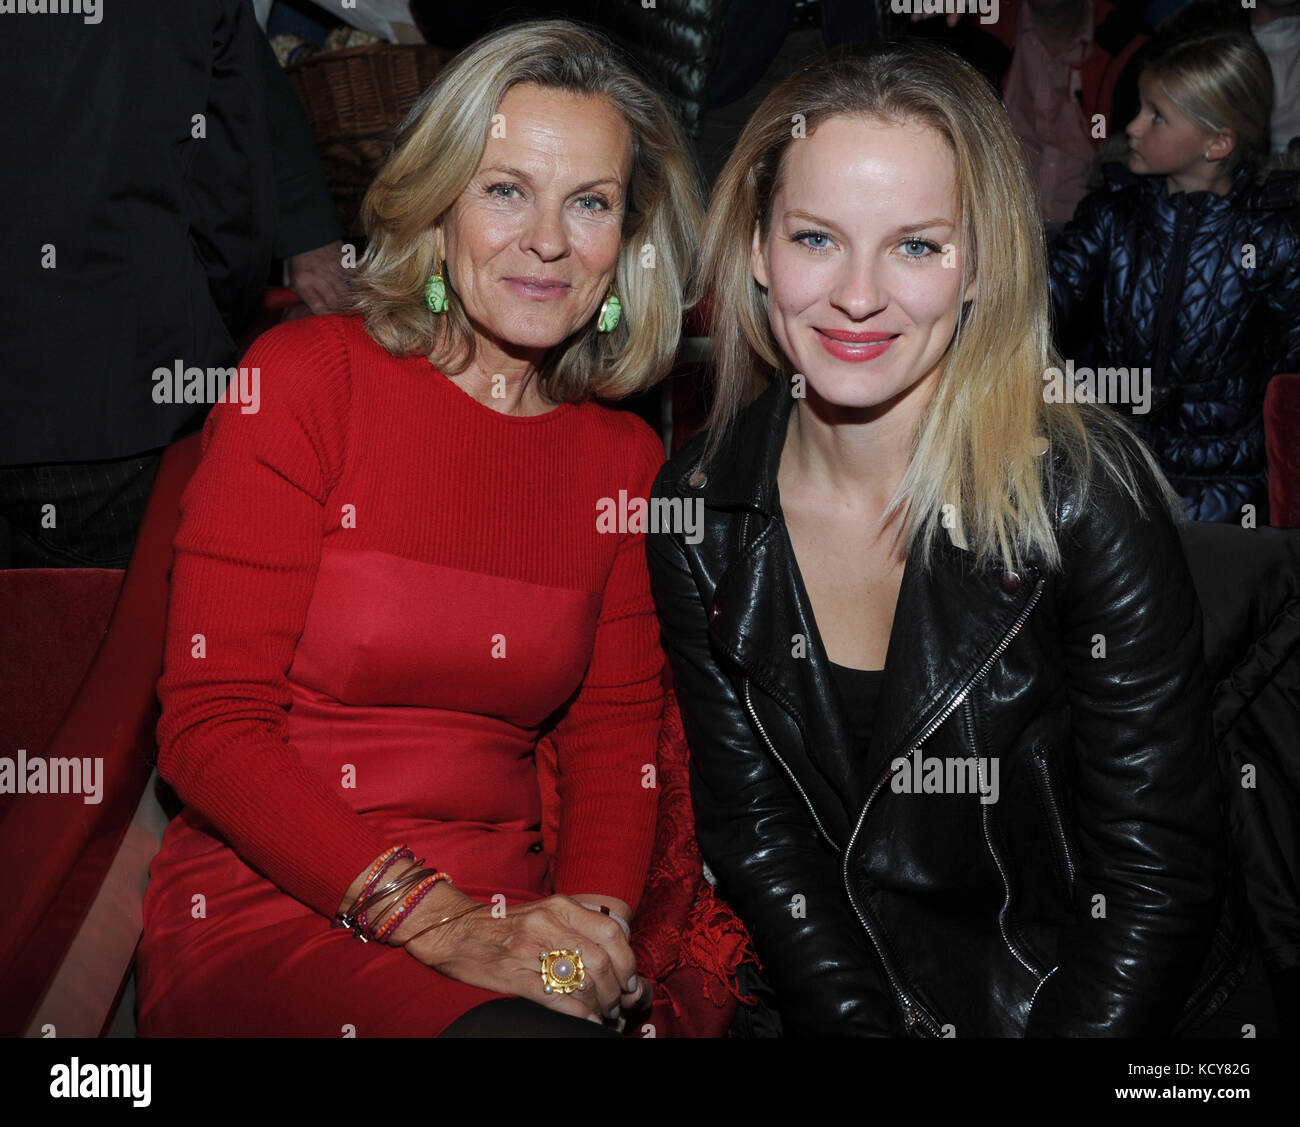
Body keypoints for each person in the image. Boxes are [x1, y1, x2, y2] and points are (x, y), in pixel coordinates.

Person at [647, 39, 1261, 1036]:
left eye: (917, 245)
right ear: (756, 249)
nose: (856, 294)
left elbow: (1154, 880)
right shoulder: (700, 509)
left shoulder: (1080, 496)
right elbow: (760, 839)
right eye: (815, 238)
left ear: (979, 265)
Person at [135, 19, 702, 1037]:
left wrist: (582, 946)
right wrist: (432, 916)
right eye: (504, 189)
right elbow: (210, 726)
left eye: (590, 204)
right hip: (279, 903)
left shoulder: (623, 459)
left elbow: (616, 745)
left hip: (511, 915)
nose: (546, 241)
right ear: (437, 205)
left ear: (627, 241)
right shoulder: (307, 379)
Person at [1049, 29, 1300, 524]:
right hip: (1117, 476)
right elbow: (1039, 298)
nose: (1133, 128)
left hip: (1229, 494)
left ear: (1217, 142)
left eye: (1157, 116)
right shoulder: (1112, 217)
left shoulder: (1273, 237)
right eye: (1140, 109)